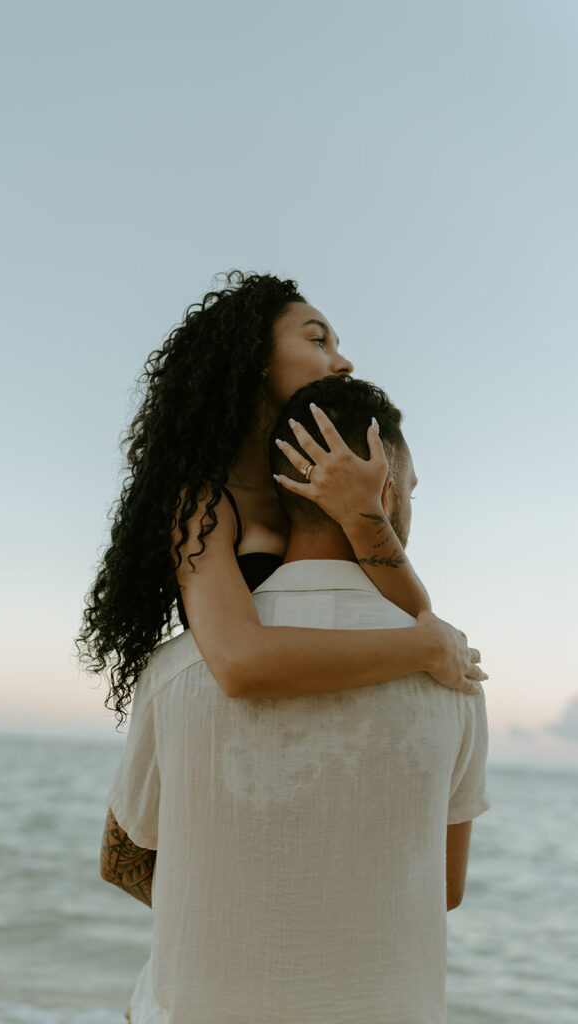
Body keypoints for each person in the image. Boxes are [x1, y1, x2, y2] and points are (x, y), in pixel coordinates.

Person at [100, 374, 491, 1023]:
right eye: (412, 492)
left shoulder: (177, 669)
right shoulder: (453, 674)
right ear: (386, 491)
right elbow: (441, 890)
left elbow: (124, 860)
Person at [76, 271, 486, 729]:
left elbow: (412, 611)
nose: (344, 362)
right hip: (245, 738)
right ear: (256, 360)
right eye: (319, 342)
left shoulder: (324, 485)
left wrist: (364, 513)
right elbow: (237, 663)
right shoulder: (204, 503)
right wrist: (425, 649)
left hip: (340, 724)